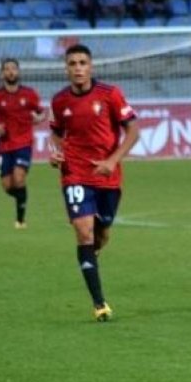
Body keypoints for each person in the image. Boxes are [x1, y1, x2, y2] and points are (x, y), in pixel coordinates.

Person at [48, 44, 141, 322]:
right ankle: (100, 303)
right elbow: (56, 133)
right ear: (66, 68)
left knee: (101, 233)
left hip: (107, 174)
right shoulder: (59, 101)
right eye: (72, 63)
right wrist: (56, 153)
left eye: (82, 63)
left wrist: (112, 161)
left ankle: (92, 253)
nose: (78, 68)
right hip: (74, 173)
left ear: (91, 67)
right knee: (84, 231)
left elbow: (133, 131)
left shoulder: (110, 95)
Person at [0, 58, 46, 229]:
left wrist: (37, 119)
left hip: (24, 143)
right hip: (5, 147)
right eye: (7, 69)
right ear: (2, 73)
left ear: (18, 72)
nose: (11, 72)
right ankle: (22, 198)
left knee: (18, 179)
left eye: (13, 68)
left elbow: (42, 113)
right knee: (7, 186)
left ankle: (20, 220)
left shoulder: (29, 94)